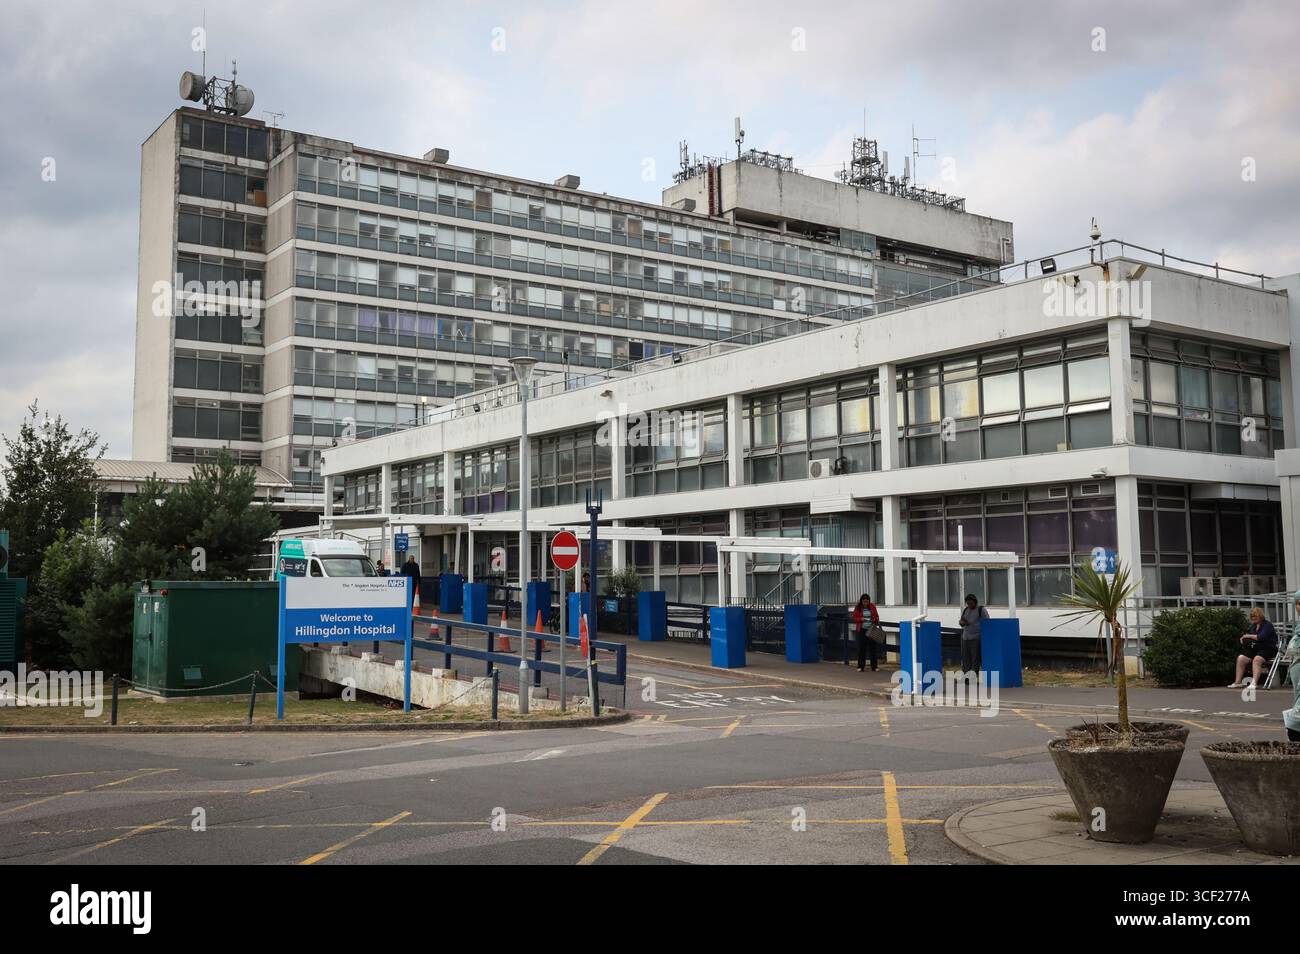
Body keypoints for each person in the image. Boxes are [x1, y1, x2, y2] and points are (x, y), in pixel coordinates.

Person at [1229, 607, 1278, 689]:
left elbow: (1261, 637)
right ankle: (1237, 682)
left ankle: (1254, 683)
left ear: (1260, 616)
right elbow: (1252, 638)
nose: (1253, 618)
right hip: (1256, 648)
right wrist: (1244, 638)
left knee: (1257, 659)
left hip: (1268, 648)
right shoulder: (1253, 626)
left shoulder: (1267, 625)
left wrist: (1248, 636)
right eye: (1252, 617)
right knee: (1241, 658)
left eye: (1255, 616)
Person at [958, 594, 988, 675]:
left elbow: (987, 623)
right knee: (966, 658)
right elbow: (961, 621)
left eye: (971, 603)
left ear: (975, 602)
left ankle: (973, 677)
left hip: (976, 637)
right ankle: (965, 675)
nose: (969, 605)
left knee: (975, 658)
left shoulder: (981, 610)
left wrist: (972, 624)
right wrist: (962, 623)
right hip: (965, 637)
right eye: (968, 603)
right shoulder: (966, 610)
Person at [852, 593, 881, 672]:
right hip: (862, 630)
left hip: (871, 629)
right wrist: (861, 619)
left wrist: (874, 619)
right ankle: (860, 666)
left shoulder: (872, 606)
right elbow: (854, 618)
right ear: (861, 601)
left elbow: (877, 616)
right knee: (862, 648)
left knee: (873, 648)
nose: (865, 603)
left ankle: (874, 667)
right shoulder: (858, 608)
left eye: (867, 601)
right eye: (864, 601)